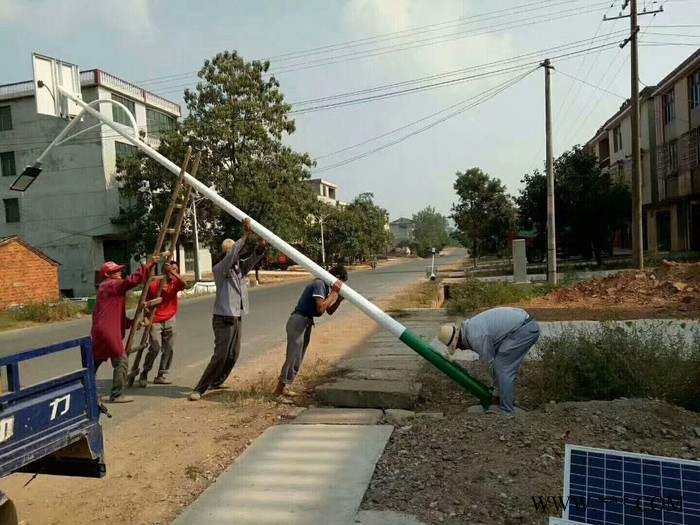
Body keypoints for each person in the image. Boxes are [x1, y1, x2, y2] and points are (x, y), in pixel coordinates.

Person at [189, 218, 267, 401]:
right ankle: (200, 388)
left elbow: (254, 258)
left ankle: (217, 381)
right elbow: (232, 255)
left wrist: (262, 244)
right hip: (223, 318)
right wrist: (247, 233)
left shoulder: (239, 269)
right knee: (220, 356)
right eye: (235, 253)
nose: (238, 256)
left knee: (233, 354)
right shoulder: (221, 268)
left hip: (236, 316)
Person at [437, 307, 540, 416]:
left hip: (522, 330)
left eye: (457, 346)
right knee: (503, 367)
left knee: (502, 368)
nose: (460, 349)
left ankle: (506, 410)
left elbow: (489, 362)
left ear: (459, 340)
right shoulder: (471, 327)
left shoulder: (476, 336)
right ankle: (505, 401)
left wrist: (496, 389)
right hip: (524, 326)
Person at [91, 254, 160, 403]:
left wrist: (136, 324)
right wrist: (147, 266)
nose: (120, 272)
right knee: (121, 361)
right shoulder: (110, 285)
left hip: (101, 331)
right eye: (116, 271)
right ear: (108, 274)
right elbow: (131, 281)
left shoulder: (108, 289)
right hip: (107, 332)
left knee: (93, 363)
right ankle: (116, 395)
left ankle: (84, 391)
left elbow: (118, 317)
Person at [273, 266, 348, 402]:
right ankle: (278, 391)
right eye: (341, 282)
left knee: (298, 357)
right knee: (293, 356)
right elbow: (320, 309)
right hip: (299, 321)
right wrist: (334, 294)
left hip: (306, 322)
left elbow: (328, 311)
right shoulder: (320, 284)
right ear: (337, 277)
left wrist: (338, 300)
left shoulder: (325, 287)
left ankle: (284, 387)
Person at [138, 260, 187, 387]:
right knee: (155, 347)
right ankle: (145, 372)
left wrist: (173, 272)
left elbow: (184, 283)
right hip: (155, 319)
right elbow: (145, 303)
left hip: (170, 318)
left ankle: (161, 375)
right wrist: (146, 318)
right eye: (171, 269)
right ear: (164, 270)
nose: (173, 271)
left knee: (169, 347)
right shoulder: (154, 285)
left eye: (176, 269)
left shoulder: (176, 283)